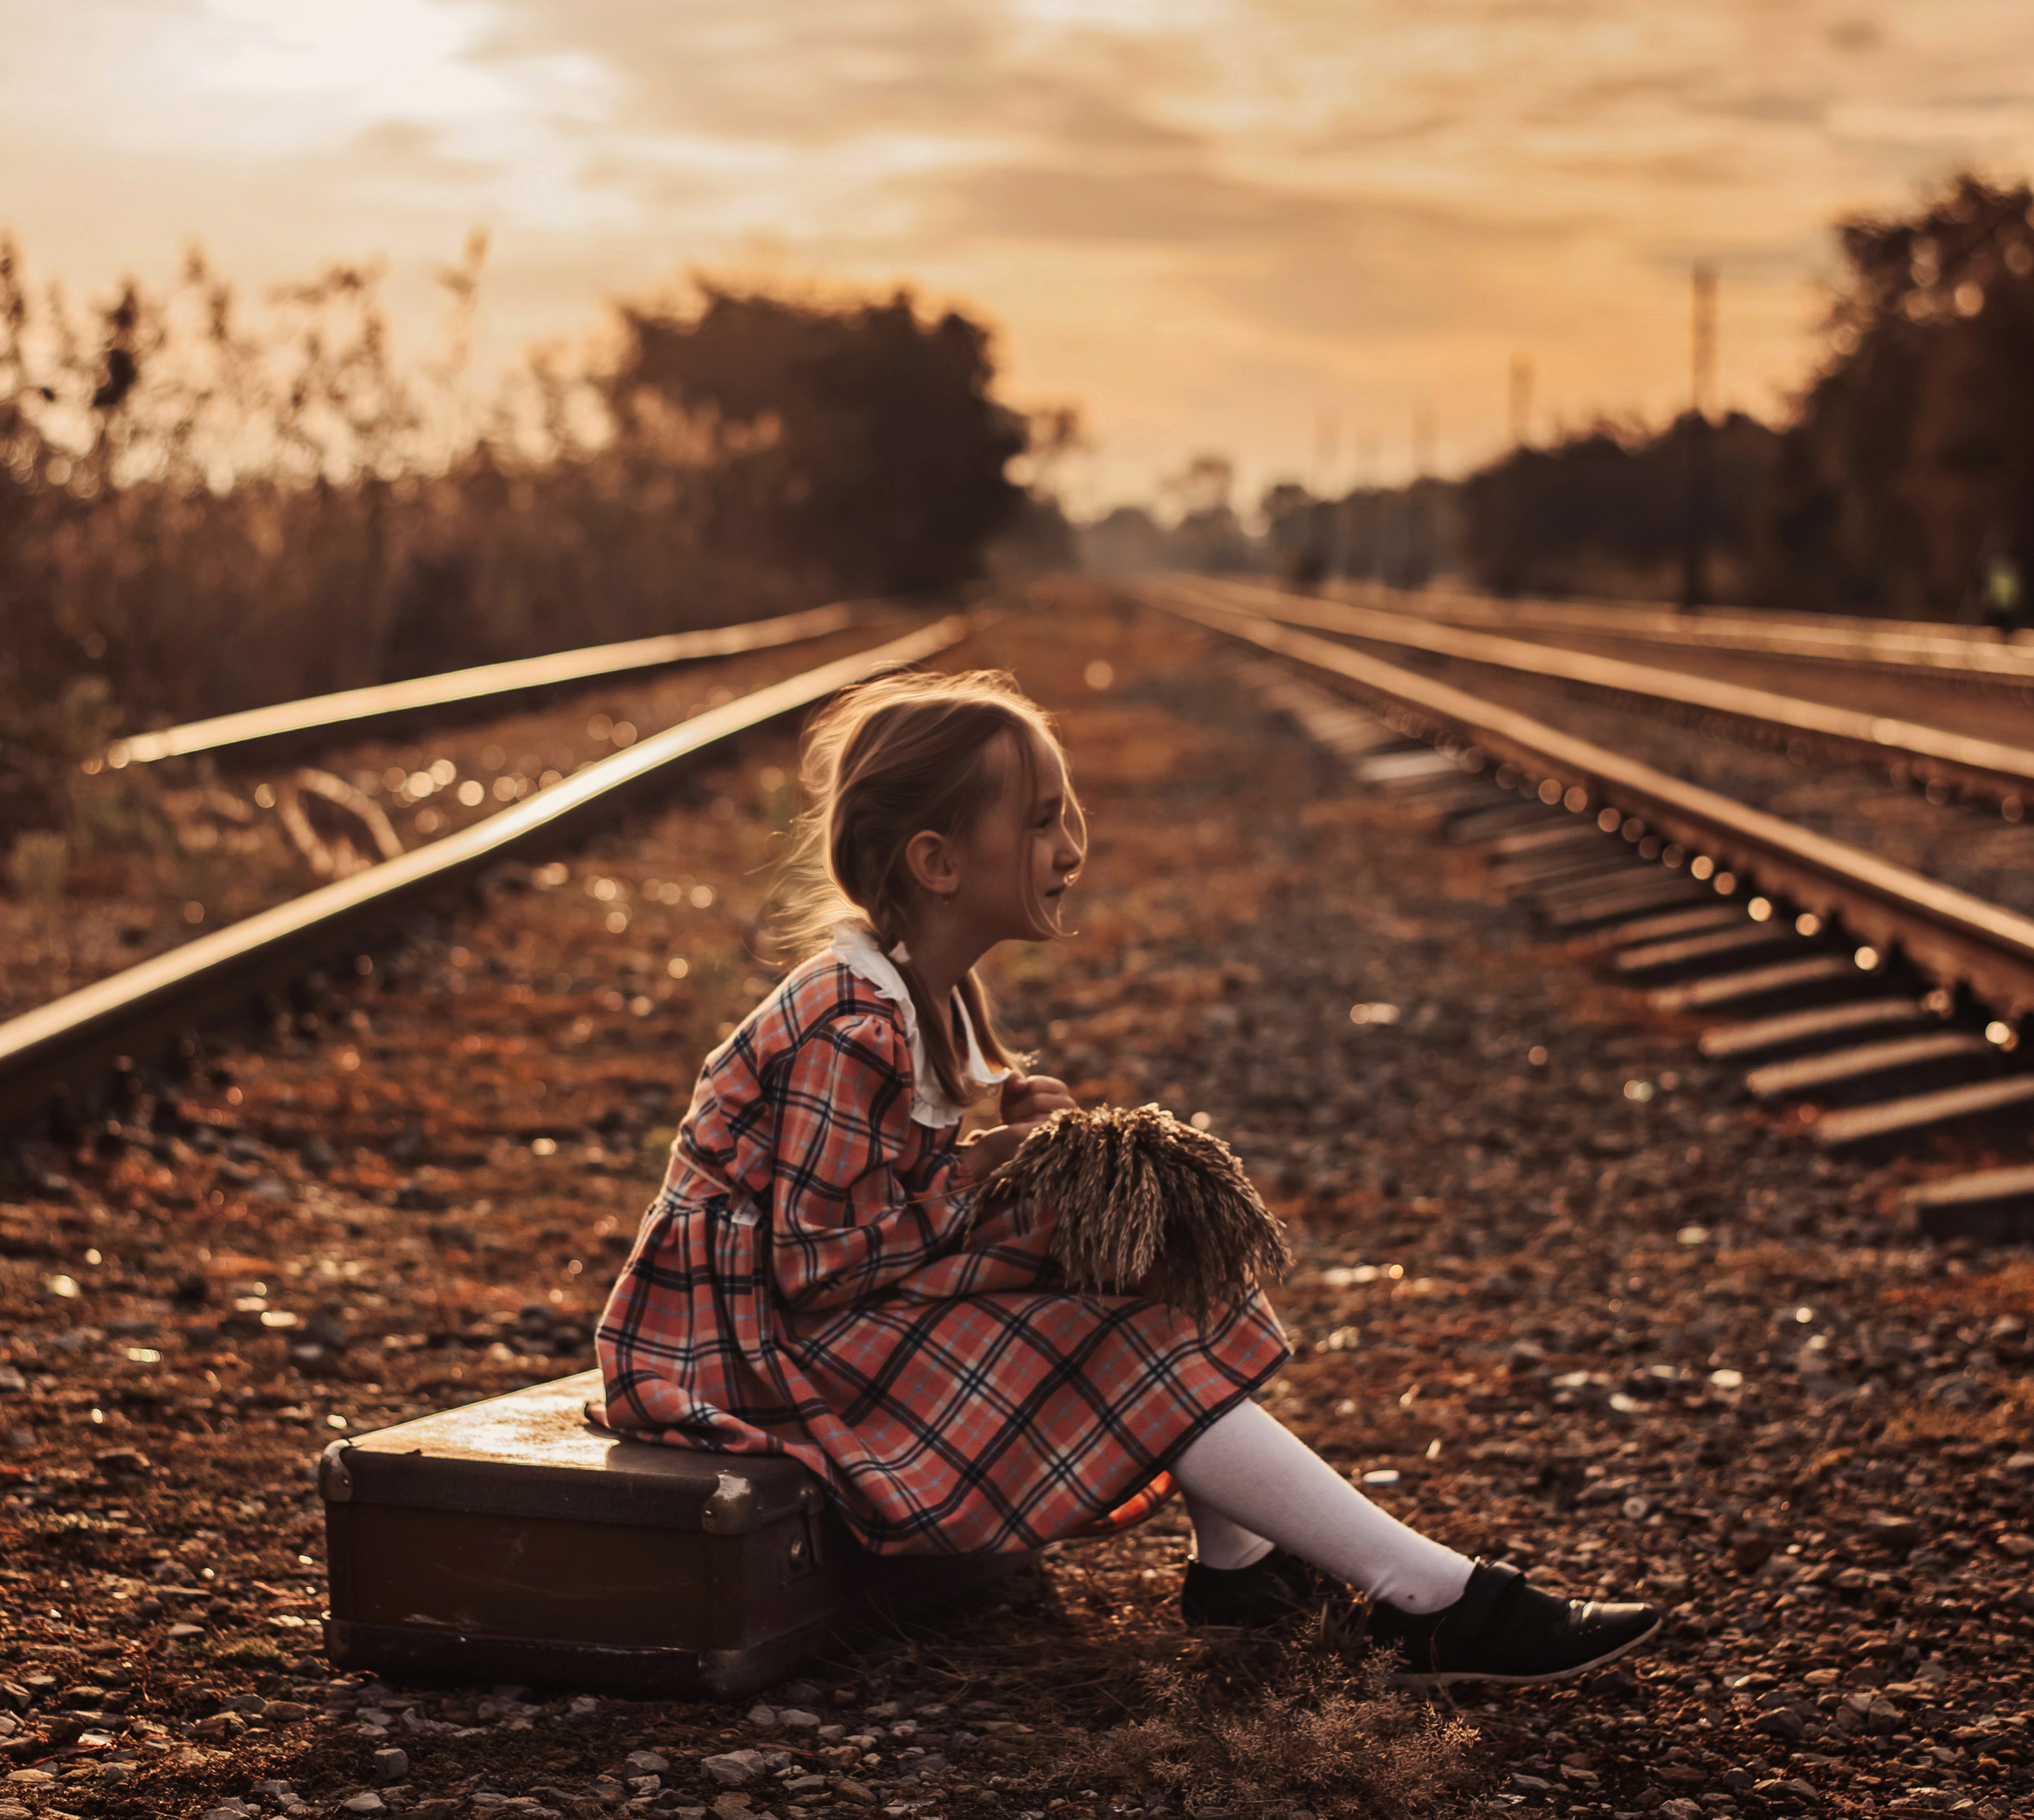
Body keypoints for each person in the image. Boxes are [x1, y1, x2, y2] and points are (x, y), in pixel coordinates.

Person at [594, 667, 1657, 1686]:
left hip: (795, 1312)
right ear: (939, 861)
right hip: (737, 1350)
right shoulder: (851, 1022)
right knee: (1110, 1327)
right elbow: (817, 1264)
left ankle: (1240, 1573)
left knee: (1138, 1263)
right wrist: (985, 1174)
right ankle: (1433, 1600)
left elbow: (880, 1202)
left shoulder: (927, 993)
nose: (1072, 845)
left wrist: (1023, 1149)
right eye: (1043, 821)